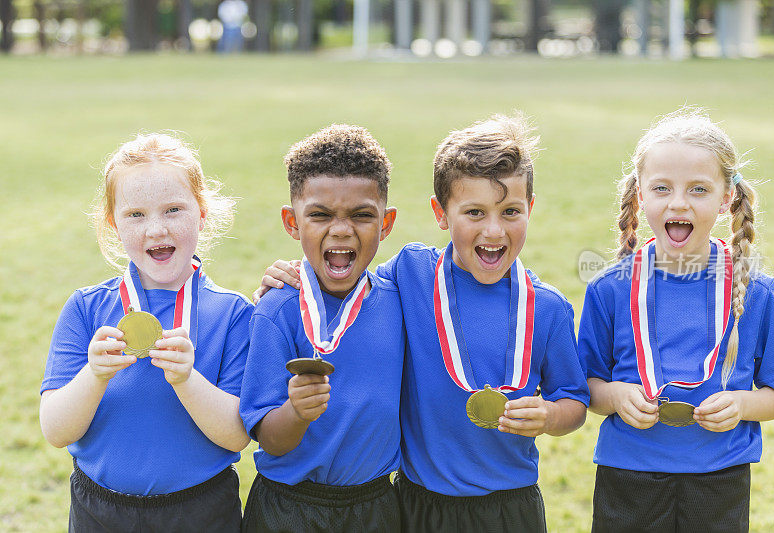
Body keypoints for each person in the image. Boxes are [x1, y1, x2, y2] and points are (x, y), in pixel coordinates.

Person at [256, 115, 590, 532]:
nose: (493, 229)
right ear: (441, 213)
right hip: (416, 505)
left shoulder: (549, 308)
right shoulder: (412, 275)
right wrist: (288, 277)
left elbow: (574, 402)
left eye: (510, 212)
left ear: (530, 209)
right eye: (474, 211)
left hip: (510, 505)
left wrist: (549, 416)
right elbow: (346, 280)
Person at [579, 109, 774, 533]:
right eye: (662, 188)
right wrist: (616, 396)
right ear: (641, 196)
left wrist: (742, 404)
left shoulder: (754, 291)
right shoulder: (608, 290)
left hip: (721, 476)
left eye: (698, 189)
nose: (678, 202)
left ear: (726, 200)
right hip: (628, 474)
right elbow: (584, 387)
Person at [39, 133, 252, 533]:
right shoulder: (85, 309)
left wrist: (187, 380)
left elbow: (237, 436)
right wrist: (95, 375)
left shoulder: (235, 314)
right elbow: (55, 429)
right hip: (99, 511)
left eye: (173, 209)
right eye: (135, 215)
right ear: (113, 226)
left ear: (202, 214)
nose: (156, 229)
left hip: (202, 510)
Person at [239, 124, 403, 532]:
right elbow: (270, 438)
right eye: (320, 215)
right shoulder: (274, 311)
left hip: (377, 504)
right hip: (288, 508)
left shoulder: (401, 299)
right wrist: (295, 412)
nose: (342, 229)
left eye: (362, 215)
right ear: (292, 222)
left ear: (386, 223)